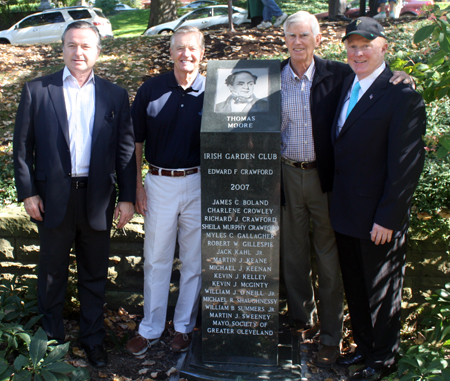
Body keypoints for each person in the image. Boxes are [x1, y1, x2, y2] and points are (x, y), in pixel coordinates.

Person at [280, 11, 410, 367]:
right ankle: (302, 321)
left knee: (330, 260)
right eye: (291, 35)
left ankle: (335, 338)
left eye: (304, 35)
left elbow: (402, 160)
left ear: (318, 39)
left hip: (328, 182)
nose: (297, 42)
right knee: (295, 255)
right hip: (293, 176)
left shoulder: (338, 75)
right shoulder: (274, 77)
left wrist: (400, 77)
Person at [13, 21, 137, 368]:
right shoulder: (38, 90)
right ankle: (51, 343)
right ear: (62, 48)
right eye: (71, 45)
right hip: (53, 199)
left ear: (98, 51)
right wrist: (28, 193)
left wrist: (127, 198)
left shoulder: (114, 94)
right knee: (51, 274)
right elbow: (22, 147)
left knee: (94, 274)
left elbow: (125, 150)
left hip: (97, 198)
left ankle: (93, 339)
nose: (78, 52)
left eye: (85, 46)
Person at [330, 17, 425, 380]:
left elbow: (406, 165)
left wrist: (389, 216)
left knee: (382, 291)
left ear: (384, 47)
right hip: (345, 210)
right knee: (355, 286)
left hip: (378, 217)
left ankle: (383, 359)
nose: (358, 52)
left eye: (365, 45)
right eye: (352, 46)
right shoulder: (346, 83)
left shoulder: (402, 94)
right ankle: (365, 349)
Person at [126, 25, 204, 355]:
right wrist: (137, 187)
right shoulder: (151, 89)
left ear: (202, 52)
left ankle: (184, 327)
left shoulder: (214, 90)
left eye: (192, 48)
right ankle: (151, 329)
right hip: (158, 183)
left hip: (199, 182)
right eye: (179, 48)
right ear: (171, 52)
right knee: (156, 259)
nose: (186, 54)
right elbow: (134, 142)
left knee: (193, 260)